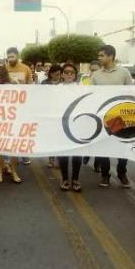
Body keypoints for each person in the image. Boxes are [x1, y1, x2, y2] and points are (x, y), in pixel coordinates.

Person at [90, 45, 133, 188]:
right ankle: (105, 175)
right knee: (103, 147)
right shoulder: (96, 75)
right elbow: (90, 94)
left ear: (111, 56)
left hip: (120, 116)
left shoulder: (124, 72)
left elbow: (132, 93)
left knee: (123, 146)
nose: (99, 58)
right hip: (102, 116)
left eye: (102, 55)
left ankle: (122, 172)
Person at [0, 65, 23, 184]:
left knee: (13, 149)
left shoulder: (11, 87)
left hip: (11, 121)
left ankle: (14, 171)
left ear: (2, 76)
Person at [58, 63, 83, 192]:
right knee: (63, 154)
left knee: (77, 154)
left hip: (76, 125)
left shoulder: (81, 88)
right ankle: (64, 179)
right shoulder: (56, 89)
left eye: (72, 72)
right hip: (61, 126)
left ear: (75, 75)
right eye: (66, 72)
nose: (69, 74)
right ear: (61, 74)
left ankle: (75, 179)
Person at [5, 47, 32, 165]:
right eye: (8, 56)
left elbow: (31, 87)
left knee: (22, 130)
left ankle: (24, 154)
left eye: (12, 56)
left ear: (17, 56)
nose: (10, 59)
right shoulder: (4, 69)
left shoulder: (26, 69)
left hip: (22, 105)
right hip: (8, 105)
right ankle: (10, 156)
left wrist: (24, 85)